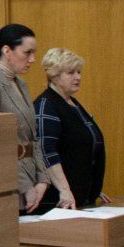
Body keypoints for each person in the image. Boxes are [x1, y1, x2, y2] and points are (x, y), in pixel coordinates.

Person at [0, 23, 58, 215]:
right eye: (27, 53)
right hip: (6, 179)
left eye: (34, 53)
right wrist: (25, 185)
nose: (32, 59)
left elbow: (33, 138)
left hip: (30, 176)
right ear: (7, 51)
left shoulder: (21, 84)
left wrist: (43, 179)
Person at [34, 47, 107, 209]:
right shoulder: (46, 105)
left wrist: (93, 188)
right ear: (54, 76)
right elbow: (46, 150)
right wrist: (65, 190)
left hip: (81, 196)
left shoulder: (72, 103)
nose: (77, 77)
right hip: (60, 201)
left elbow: (83, 146)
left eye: (79, 72)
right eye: (71, 73)